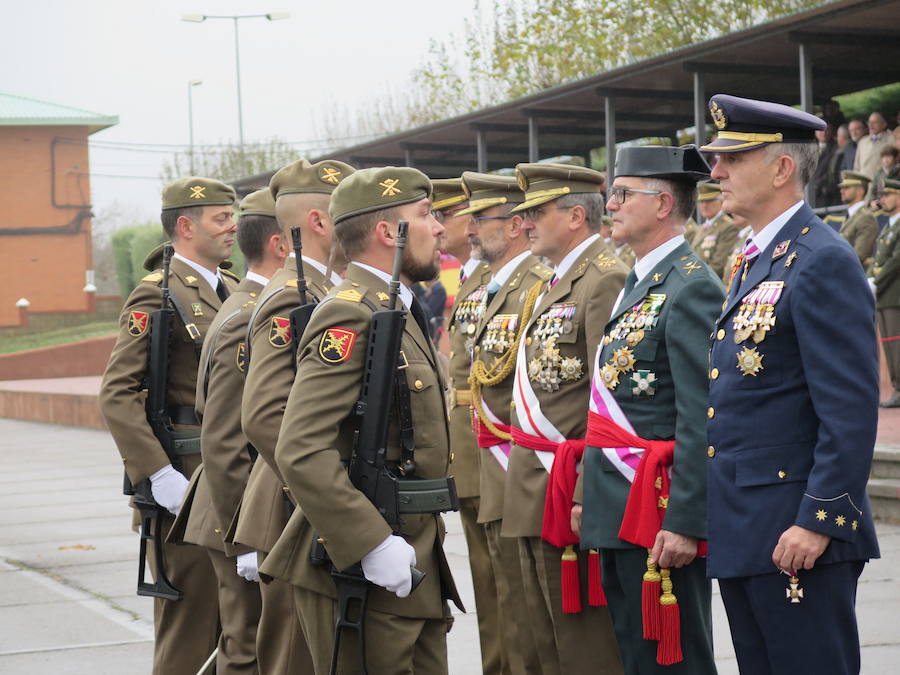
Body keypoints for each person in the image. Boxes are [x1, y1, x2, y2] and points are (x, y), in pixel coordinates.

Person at [259, 166, 463, 673]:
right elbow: (300, 449)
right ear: (388, 233)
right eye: (425, 215)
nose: (440, 228)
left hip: (413, 554)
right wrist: (370, 544)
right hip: (365, 566)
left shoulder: (396, 306)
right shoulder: (351, 313)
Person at [703, 93, 880, 674]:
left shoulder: (820, 258)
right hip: (749, 526)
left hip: (796, 531)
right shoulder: (757, 258)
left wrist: (818, 518)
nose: (716, 172)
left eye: (733, 158)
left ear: (781, 168)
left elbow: (849, 409)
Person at [573, 145, 723, 674]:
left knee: (673, 660)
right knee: (636, 658)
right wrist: (587, 495)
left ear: (662, 204)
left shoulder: (691, 286)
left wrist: (687, 521)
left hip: (657, 515)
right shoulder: (637, 282)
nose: (609, 204)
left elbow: (700, 413)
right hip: (619, 506)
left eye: (621, 194)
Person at [100, 176, 239, 675]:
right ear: (186, 225)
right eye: (221, 218)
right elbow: (117, 392)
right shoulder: (158, 295)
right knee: (191, 636)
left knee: (240, 633)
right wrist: (158, 475)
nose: (233, 227)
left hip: (227, 481)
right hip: (184, 482)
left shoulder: (234, 290)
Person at [503, 162, 626, 675]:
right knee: (543, 642)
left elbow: (607, 396)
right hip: (536, 484)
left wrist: (584, 491)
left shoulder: (604, 278)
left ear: (576, 215)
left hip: (568, 483)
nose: (525, 222)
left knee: (583, 648)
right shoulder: (553, 282)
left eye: (537, 211)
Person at [237, 158, 353, 674]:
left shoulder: (322, 291)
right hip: (295, 507)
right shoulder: (292, 297)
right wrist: (324, 488)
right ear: (319, 223)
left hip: (305, 502)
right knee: (295, 658)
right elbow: (264, 415)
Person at [170, 188, 284, 674]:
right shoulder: (247, 312)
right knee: (244, 649)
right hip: (232, 507)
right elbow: (227, 434)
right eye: (219, 217)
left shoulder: (242, 296)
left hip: (237, 505)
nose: (229, 227)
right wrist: (246, 534)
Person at [458, 171, 550, 674]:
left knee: (523, 607)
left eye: (481, 219)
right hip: (482, 450)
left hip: (512, 455)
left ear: (515, 225)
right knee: (497, 598)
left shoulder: (534, 286)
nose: (470, 229)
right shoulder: (489, 283)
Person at [433, 176, 503, 673]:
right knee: (489, 584)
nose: (441, 227)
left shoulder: (501, 276)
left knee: (509, 590)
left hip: (497, 446)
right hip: (471, 444)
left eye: (448, 216)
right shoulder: (473, 278)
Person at [869, 177, 900, 408]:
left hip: (895, 292)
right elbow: (879, 258)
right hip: (884, 293)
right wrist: (869, 278)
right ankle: (897, 387)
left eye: (888, 195)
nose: (883, 200)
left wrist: (876, 280)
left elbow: (895, 260)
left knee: (896, 342)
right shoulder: (888, 227)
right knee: (889, 343)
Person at [690, 181, 739, 278]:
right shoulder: (702, 227)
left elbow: (718, 265)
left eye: (709, 201)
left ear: (721, 202)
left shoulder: (728, 226)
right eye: (701, 201)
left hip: (709, 282)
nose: (704, 205)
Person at [836, 171, 878, 269]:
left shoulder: (866, 217)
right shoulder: (852, 215)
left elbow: (859, 255)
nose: (842, 191)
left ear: (860, 191)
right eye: (842, 188)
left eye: (847, 188)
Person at [854, 112, 895, 179]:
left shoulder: (891, 139)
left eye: (875, 122)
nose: (871, 125)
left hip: (881, 183)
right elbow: (856, 167)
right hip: (863, 183)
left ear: (884, 124)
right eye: (869, 122)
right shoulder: (862, 141)